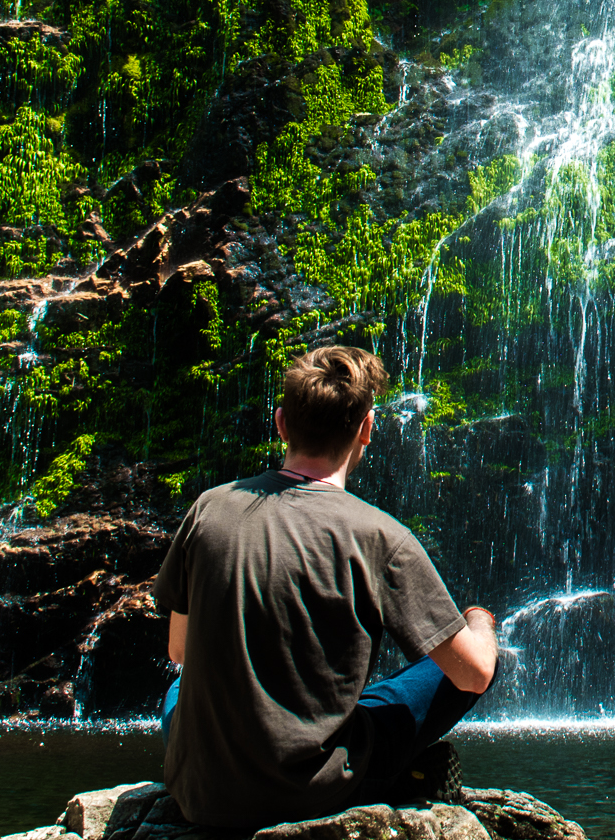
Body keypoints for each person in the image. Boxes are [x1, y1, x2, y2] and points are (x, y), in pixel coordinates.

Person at [153, 346, 499, 829]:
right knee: (466, 665)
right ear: (366, 429)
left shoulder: (209, 509)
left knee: (178, 687)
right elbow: (474, 674)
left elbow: (179, 650)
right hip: (309, 792)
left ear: (281, 423)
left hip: (202, 791)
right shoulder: (382, 538)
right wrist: (479, 622)